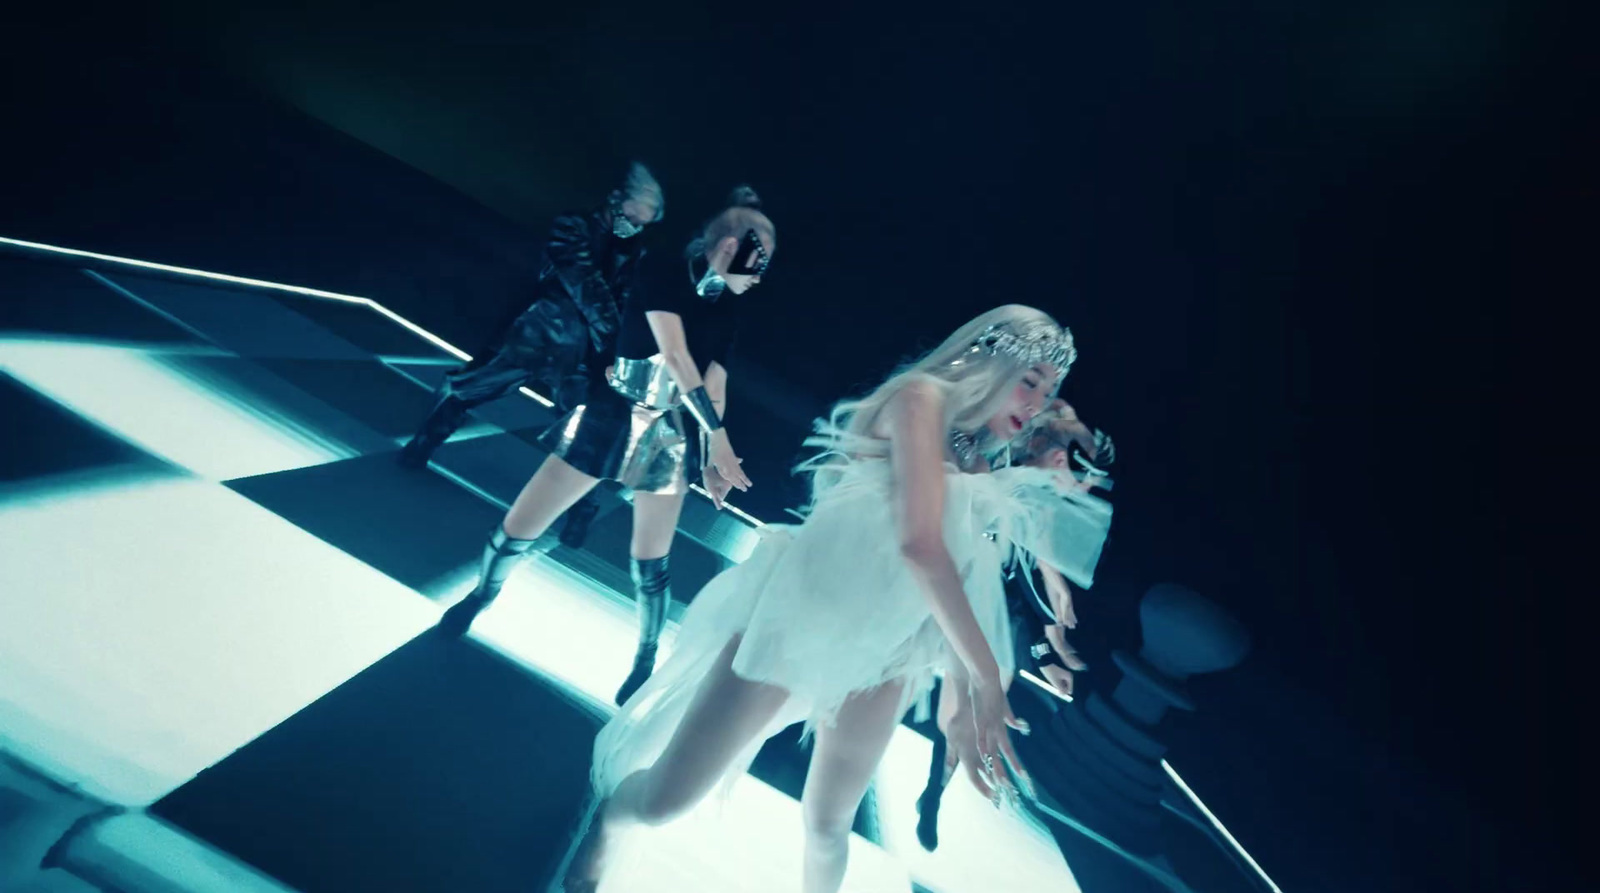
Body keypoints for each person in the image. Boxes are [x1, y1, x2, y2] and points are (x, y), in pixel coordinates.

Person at [562, 306, 1107, 893]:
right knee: (665, 801)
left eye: (1048, 391)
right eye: (1030, 381)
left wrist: (964, 697)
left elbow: (967, 578)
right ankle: (615, 819)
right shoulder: (919, 399)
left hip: (887, 649)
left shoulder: (975, 457)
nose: (1034, 404)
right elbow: (921, 546)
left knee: (829, 823)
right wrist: (986, 682)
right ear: (987, 360)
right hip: (804, 618)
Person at [436, 186, 775, 709]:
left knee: (651, 563)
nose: (762, 271)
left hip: (667, 428)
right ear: (729, 246)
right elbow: (677, 356)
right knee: (516, 531)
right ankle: (481, 594)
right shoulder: (662, 269)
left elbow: (715, 384)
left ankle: (644, 654)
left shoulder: (729, 308)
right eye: (761, 256)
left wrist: (712, 456)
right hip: (610, 411)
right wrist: (719, 440)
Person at [398, 162, 665, 547]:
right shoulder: (573, 225)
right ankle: (421, 445)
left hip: (583, 356)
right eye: (633, 215)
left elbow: (625, 299)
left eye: (644, 222)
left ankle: (580, 513)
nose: (635, 226)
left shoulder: (633, 251)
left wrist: (613, 346)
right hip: (536, 336)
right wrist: (611, 332)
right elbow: (581, 281)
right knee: (470, 388)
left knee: (587, 435)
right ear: (616, 199)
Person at [915, 401, 1115, 850]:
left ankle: (933, 795)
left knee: (975, 704)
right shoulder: (993, 457)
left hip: (992, 607)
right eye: (1075, 479)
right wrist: (1053, 589)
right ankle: (932, 793)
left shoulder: (1037, 498)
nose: (1074, 490)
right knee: (960, 700)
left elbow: (1028, 580)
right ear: (1059, 458)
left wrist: (1051, 643)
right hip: (948, 586)